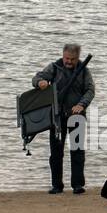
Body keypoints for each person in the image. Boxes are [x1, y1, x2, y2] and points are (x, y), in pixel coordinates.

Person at [32, 43, 95, 194]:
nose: (69, 62)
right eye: (66, 58)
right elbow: (36, 77)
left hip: (77, 116)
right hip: (57, 116)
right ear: (62, 54)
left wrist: (82, 104)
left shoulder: (84, 71)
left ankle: (78, 185)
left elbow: (90, 90)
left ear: (78, 58)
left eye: (72, 59)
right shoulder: (53, 68)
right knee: (56, 152)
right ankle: (56, 185)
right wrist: (40, 83)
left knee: (77, 150)